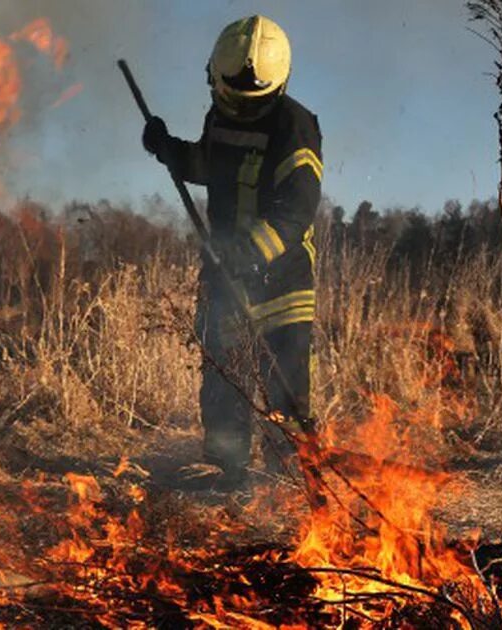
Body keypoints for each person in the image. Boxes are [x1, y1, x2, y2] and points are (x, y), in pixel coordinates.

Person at [142, 15, 322, 491]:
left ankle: (290, 491)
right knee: (224, 380)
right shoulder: (219, 117)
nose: (237, 108)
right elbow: (209, 166)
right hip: (226, 279)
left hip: (281, 282)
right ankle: (228, 480)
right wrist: (169, 151)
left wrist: (247, 255)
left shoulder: (296, 127)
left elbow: (296, 212)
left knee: (283, 390)